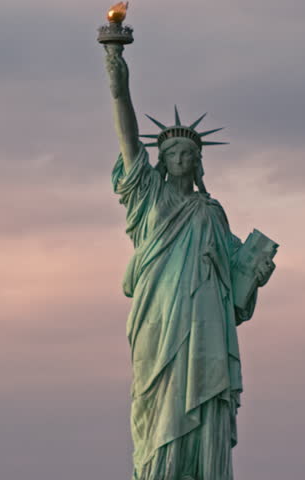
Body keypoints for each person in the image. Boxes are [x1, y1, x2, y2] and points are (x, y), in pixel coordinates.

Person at [104, 43, 275, 480]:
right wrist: (118, 83)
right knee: (157, 399)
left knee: (205, 394)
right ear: (161, 162)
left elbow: (234, 280)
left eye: (189, 154)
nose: (181, 159)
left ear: (198, 163)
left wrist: (255, 273)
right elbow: (128, 139)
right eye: (173, 154)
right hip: (159, 316)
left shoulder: (211, 212)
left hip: (206, 321)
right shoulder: (148, 197)